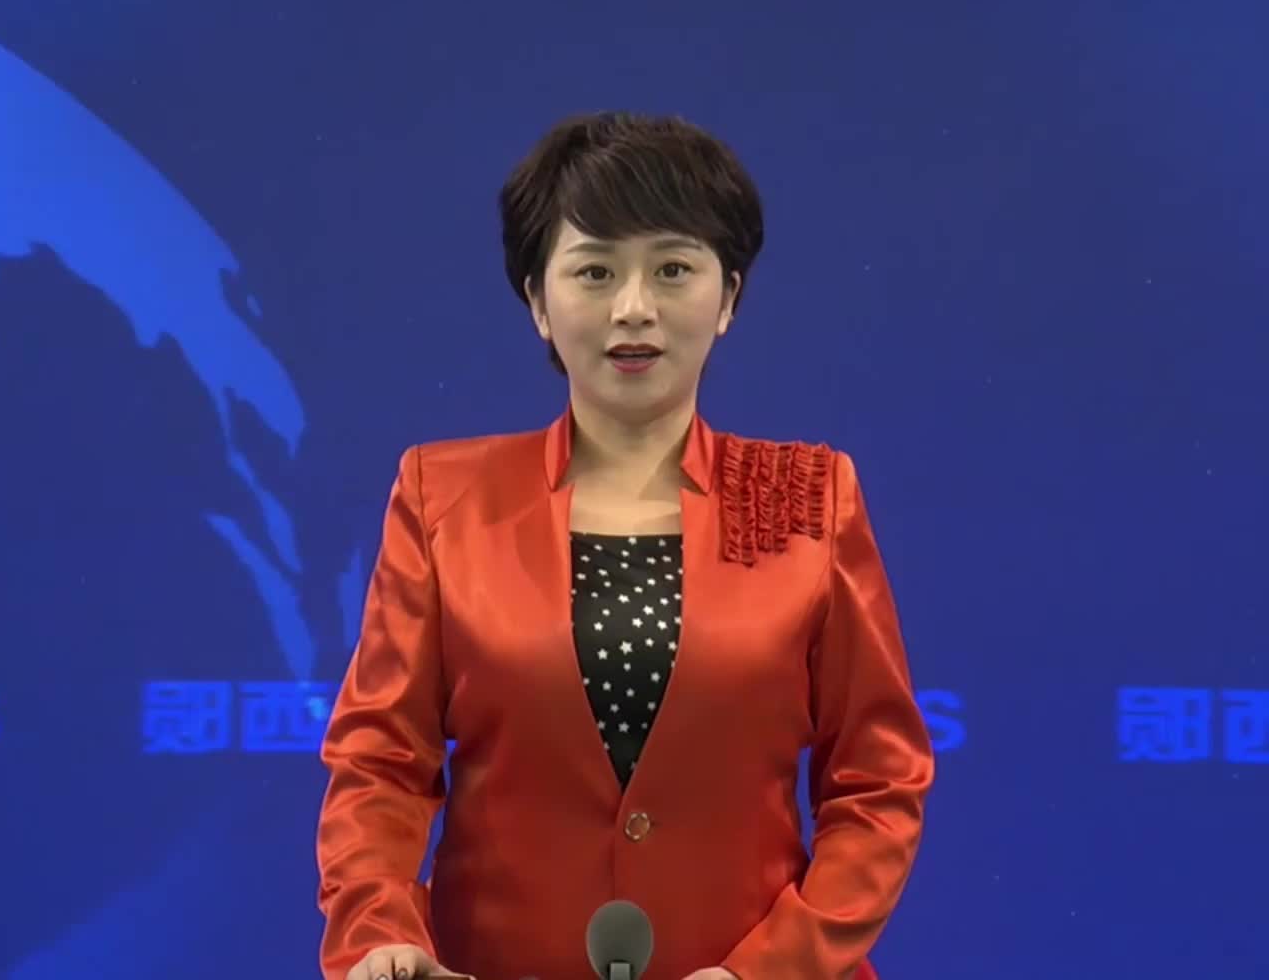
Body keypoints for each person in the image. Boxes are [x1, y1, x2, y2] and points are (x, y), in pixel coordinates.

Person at [316, 111, 934, 980]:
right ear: (538, 300)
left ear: (728, 298)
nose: (634, 307)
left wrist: (770, 970)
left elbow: (877, 782)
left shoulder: (808, 497)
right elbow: (379, 763)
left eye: (672, 269)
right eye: (595, 271)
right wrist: (381, 933)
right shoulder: (442, 496)